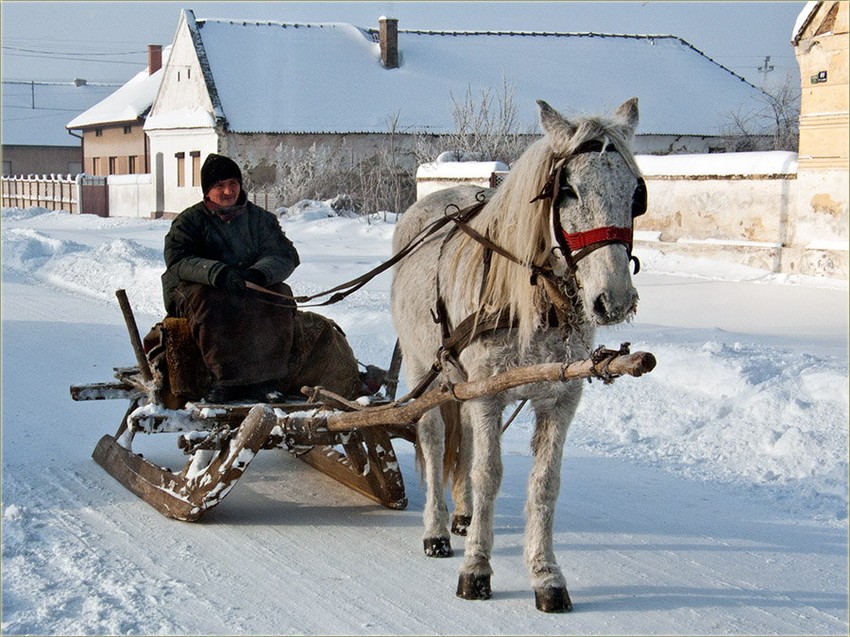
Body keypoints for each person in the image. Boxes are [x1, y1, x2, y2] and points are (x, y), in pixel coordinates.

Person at [161, 153, 300, 402]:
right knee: (212, 300)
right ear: (207, 191)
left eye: (233, 183)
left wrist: (259, 273)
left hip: (248, 286)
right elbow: (178, 260)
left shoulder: (260, 219)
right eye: (219, 186)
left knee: (280, 295)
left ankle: (266, 381)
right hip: (196, 289)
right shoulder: (189, 221)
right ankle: (226, 380)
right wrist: (218, 273)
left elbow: (284, 254)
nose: (228, 191)